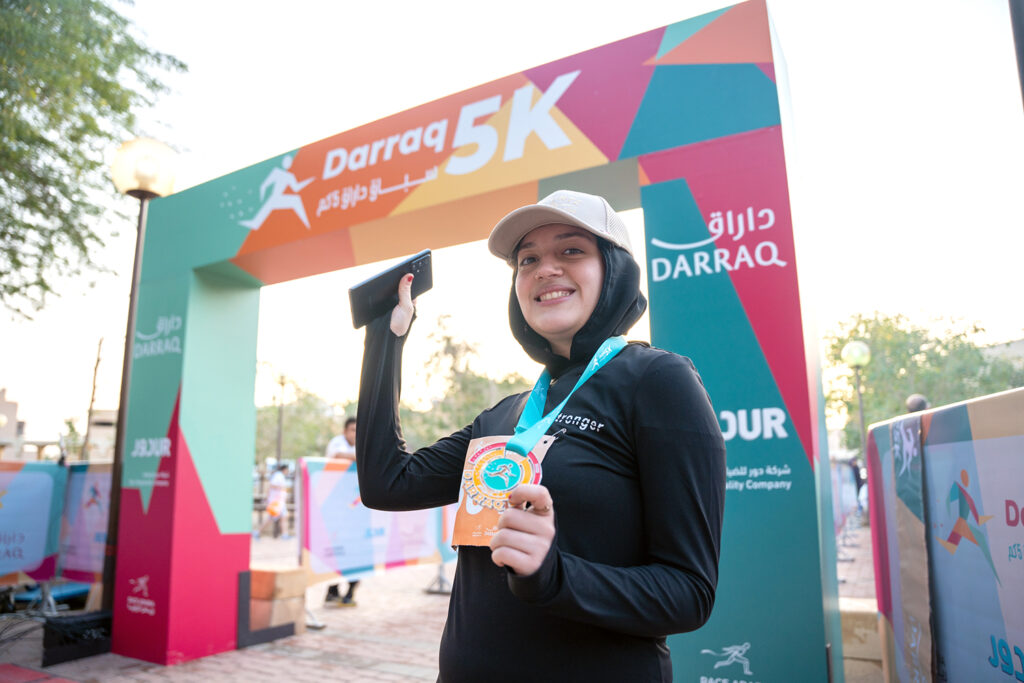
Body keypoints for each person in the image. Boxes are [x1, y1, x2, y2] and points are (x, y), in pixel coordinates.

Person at [356, 190, 726, 682]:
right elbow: (386, 483)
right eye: (527, 260)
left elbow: (688, 594)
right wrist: (386, 336)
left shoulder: (657, 381)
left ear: (613, 270)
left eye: (571, 250)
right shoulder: (504, 417)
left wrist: (554, 575)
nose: (544, 269)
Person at [324, 417, 360, 606]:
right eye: (352, 430)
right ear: (345, 431)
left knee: (357, 549)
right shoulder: (336, 443)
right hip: (337, 506)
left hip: (356, 506)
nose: (355, 434)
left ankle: (350, 592)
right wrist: (357, 457)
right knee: (336, 550)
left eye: (357, 430)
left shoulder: (362, 444)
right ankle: (332, 590)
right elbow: (335, 455)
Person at [254, 463, 290, 539]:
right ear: (285, 469)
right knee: (271, 519)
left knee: (284, 517)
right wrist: (281, 487)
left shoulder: (280, 476)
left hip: (279, 502)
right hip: (276, 502)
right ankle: (257, 532)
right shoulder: (278, 476)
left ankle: (285, 535)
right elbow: (272, 485)